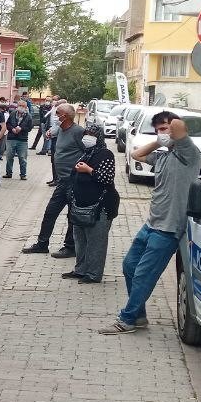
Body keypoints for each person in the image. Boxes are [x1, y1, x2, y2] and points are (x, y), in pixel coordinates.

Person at [100, 112, 201, 334]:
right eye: (158, 129)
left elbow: (178, 124)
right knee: (129, 266)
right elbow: (136, 154)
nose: (162, 132)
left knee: (144, 275)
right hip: (151, 225)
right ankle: (139, 315)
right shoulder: (163, 156)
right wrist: (158, 141)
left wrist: (171, 130)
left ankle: (126, 319)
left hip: (168, 229)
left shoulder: (189, 154)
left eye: (165, 129)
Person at [22, 102, 83, 259]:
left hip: (75, 181)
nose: (55, 117)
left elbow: (88, 153)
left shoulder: (78, 132)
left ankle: (70, 247)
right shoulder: (60, 129)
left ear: (66, 116)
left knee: (72, 215)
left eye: (58, 114)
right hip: (62, 181)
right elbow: (52, 135)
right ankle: (42, 244)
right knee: (50, 212)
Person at [64, 120, 118, 284]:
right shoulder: (86, 153)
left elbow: (107, 178)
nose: (88, 137)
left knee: (96, 242)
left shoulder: (106, 154)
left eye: (92, 135)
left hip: (100, 207)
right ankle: (81, 270)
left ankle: (93, 274)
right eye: (86, 134)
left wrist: (89, 170)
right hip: (80, 205)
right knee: (80, 239)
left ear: (99, 137)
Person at [2, 100, 33, 180]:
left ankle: (23, 174)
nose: (20, 107)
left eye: (23, 106)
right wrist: (12, 129)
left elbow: (30, 127)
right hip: (11, 138)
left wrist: (21, 128)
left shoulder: (28, 116)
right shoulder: (12, 114)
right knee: (9, 157)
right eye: (19, 105)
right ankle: (8, 173)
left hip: (22, 139)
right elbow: (8, 124)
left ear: (26, 107)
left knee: (22, 158)